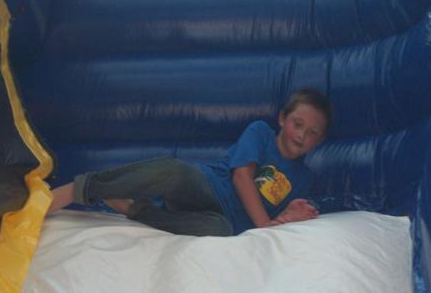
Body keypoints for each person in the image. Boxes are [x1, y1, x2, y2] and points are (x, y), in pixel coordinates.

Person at [47, 88, 332, 236]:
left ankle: (136, 209)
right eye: (298, 124)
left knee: (217, 232)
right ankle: (82, 188)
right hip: (206, 187)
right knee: (174, 172)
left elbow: (276, 226)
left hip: (225, 222)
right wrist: (264, 224)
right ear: (282, 118)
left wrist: (287, 216)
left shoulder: (303, 179)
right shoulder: (261, 133)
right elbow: (242, 176)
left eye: (312, 133)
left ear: (319, 141)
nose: (301, 135)